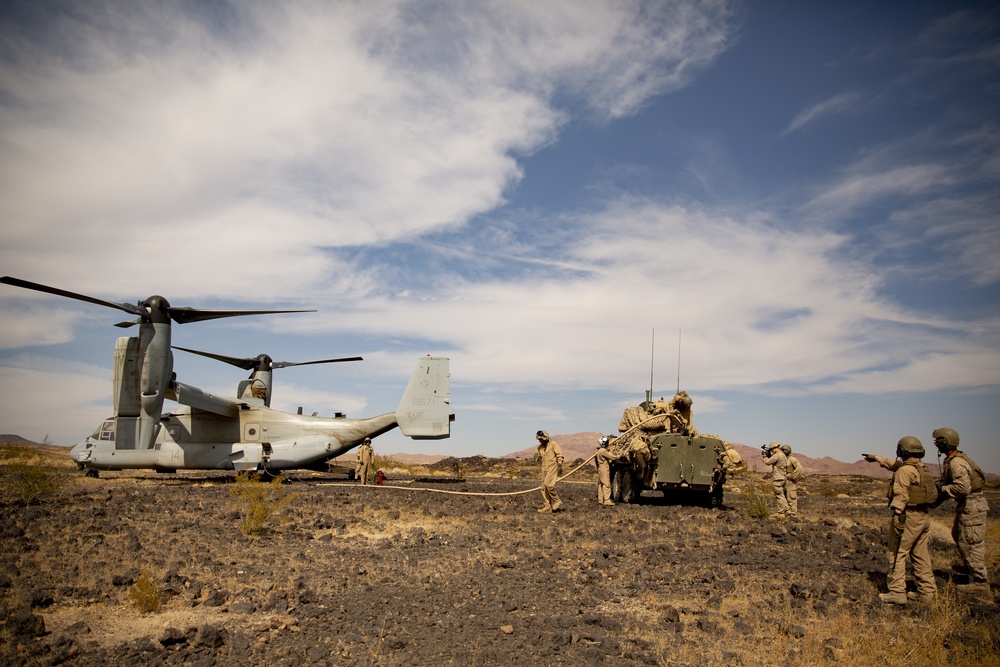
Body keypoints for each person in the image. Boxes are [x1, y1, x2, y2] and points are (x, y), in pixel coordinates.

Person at [866, 436, 938, 604]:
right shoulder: (920, 468)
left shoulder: (904, 471)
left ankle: (897, 592)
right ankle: (927, 592)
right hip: (923, 516)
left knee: (896, 552)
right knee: (920, 555)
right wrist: (877, 458)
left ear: (902, 451)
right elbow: (895, 465)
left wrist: (898, 516)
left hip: (908, 516)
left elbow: (901, 495)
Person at [933, 427, 991, 593]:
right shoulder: (955, 459)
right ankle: (971, 569)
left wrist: (943, 490)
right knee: (959, 535)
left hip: (971, 505)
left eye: (938, 442)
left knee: (971, 541)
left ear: (944, 443)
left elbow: (963, 488)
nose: (937, 445)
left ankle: (980, 581)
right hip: (969, 505)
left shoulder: (957, 463)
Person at [535, 430, 564, 513]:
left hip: (552, 467)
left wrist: (559, 465)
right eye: (539, 440)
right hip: (544, 469)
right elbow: (538, 456)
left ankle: (556, 500)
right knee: (543, 488)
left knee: (549, 484)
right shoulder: (540, 447)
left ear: (545, 438)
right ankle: (547, 506)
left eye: (541, 439)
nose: (540, 441)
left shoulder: (553, 444)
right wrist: (536, 457)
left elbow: (559, 455)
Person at [762, 442, 790, 516]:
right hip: (783, 477)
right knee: (782, 494)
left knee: (779, 495)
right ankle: (787, 510)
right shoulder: (783, 455)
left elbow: (768, 462)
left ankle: (781, 512)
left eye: (771, 450)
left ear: (774, 448)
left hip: (778, 477)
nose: (771, 451)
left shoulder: (777, 455)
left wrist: (765, 457)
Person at [595, 436, 620, 506]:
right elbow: (612, 457)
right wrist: (619, 456)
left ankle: (600, 499)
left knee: (601, 484)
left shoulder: (599, 450)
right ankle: (606, 499)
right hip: (604, 468)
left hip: (600, 468)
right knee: (606, 484)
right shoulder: (603, 451)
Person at [780, 444, 802, 517]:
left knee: (791, 497)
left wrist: (793, 476)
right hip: (783, 480)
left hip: (790, 481)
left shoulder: (792, 459)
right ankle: (786, 513)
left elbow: (799, 468)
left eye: (783, 450)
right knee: (784, 497)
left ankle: (793, 514)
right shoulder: (782, 459)